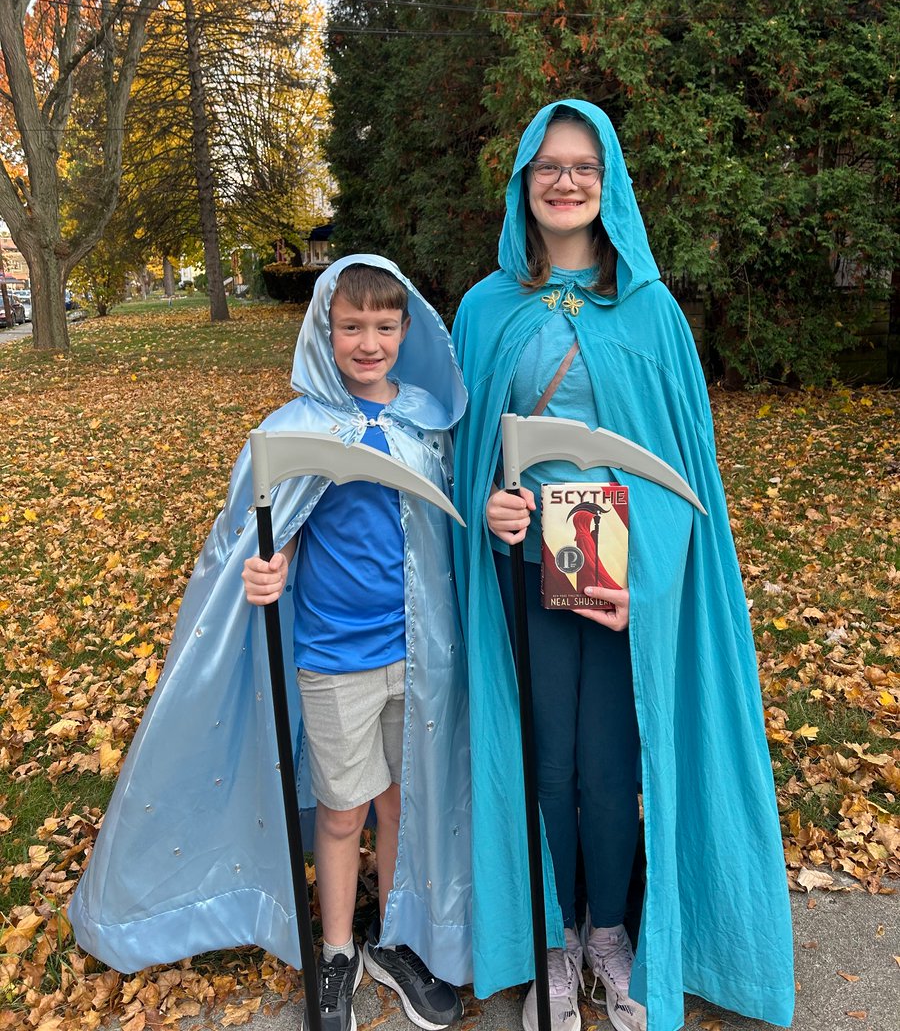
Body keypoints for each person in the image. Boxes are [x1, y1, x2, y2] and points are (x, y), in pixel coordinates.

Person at [451, 101, 794, 1031]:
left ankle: (612, 934)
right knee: (543, 765)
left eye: (582, 166)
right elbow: (467, 448)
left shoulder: (648, 310)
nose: (566, 181)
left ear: (608, 184)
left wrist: (646, 575)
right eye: (547, 167)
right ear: (525, 185)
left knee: (610, 765)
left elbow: (688, 476)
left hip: (619, 567)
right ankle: (554, 940)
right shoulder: (485, 309)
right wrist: (489, 505)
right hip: (528, 568)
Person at [70, 256, 470, 1031]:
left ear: (405, 330)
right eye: (351, 326)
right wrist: (265, 570)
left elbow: (446, 524)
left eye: (384, 326)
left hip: (421, 654)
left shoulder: (427, 419)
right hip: (335, 657)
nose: (368, 341)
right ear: (325, 331)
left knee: (399, 800)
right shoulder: (292, 432)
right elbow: (258, 538)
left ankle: (393, 938)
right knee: (343, 807)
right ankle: (332, 950)